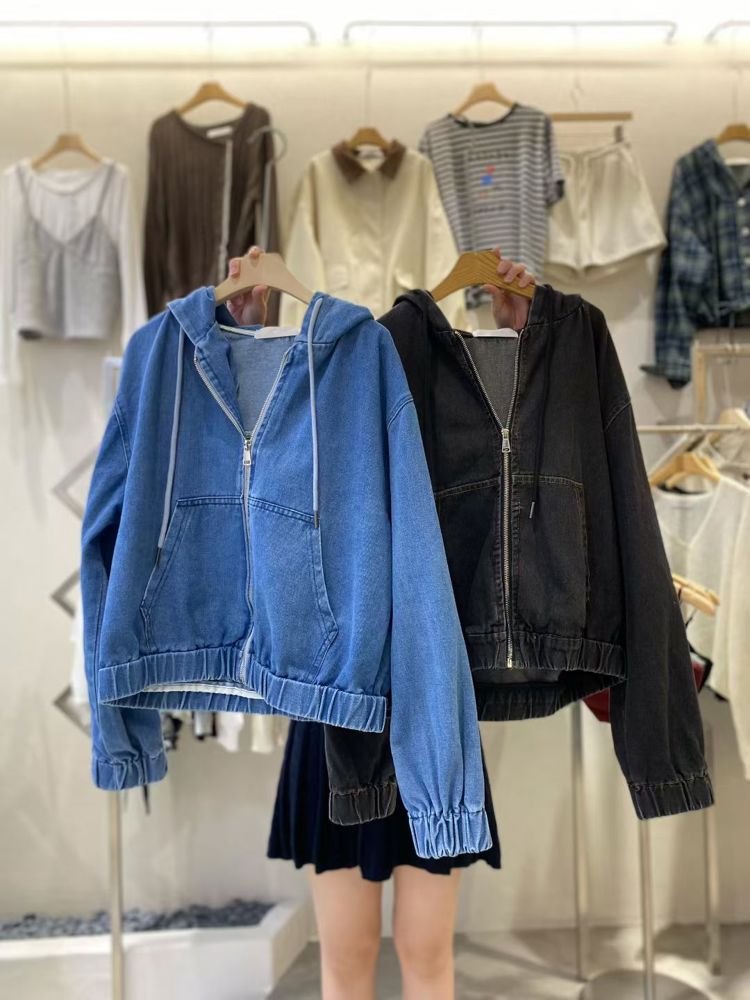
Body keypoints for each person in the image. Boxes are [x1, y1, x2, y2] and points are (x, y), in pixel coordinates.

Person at [225, 246, 534, 1000]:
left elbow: (516, 466)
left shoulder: (451, 395)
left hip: (429, 702)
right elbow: (241, 464)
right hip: (337, 703)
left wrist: (519, 338)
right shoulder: (309, 400)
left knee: (425, 952)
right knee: (349, 954)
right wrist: (248, 337)